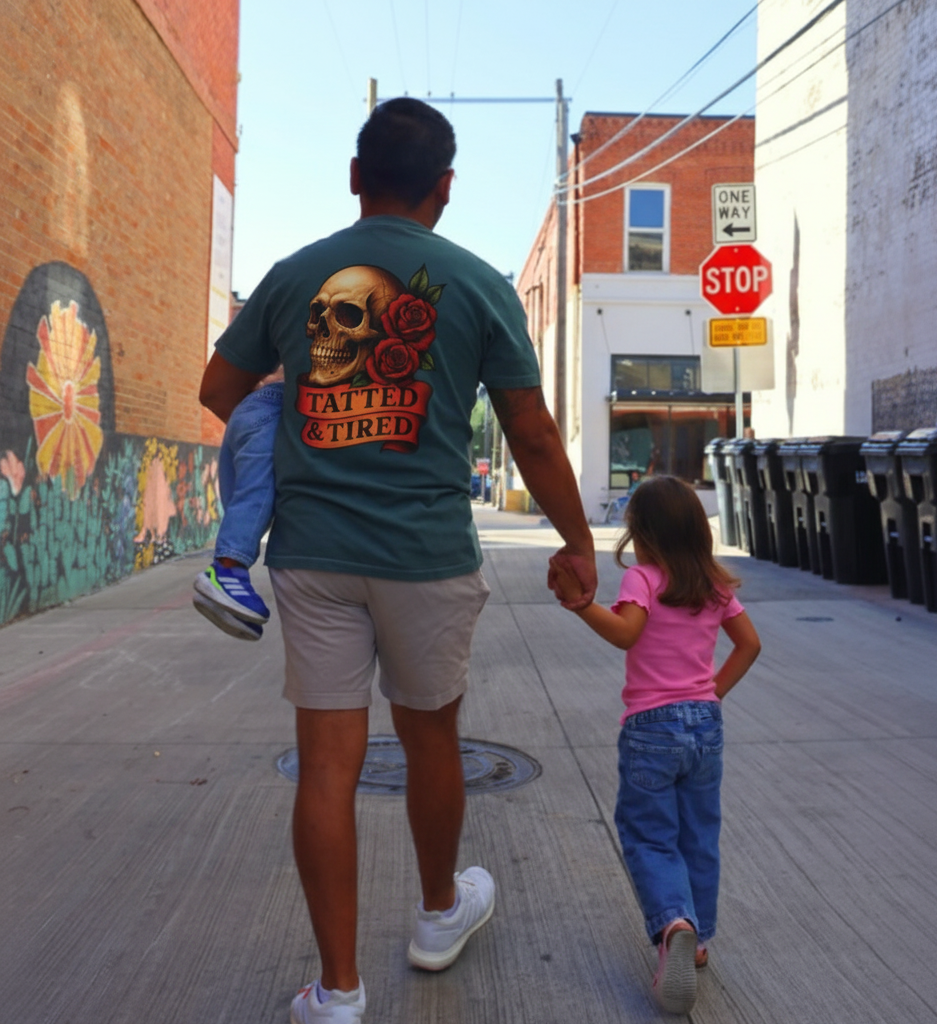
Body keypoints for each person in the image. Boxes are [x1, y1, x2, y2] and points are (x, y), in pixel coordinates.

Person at [198, 98, 596, 1024]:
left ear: (353, 176)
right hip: (426, 556)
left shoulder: (296, 277)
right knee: (431, 742)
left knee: (328, 764)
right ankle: (435, 915)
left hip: (314, 553)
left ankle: (337, 991)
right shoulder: (481, 283)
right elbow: (530, 432)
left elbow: (219, 391)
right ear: (445, 188)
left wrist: (297, 423)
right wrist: (578, 542)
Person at [551, 476, 760, 1015]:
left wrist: (580, 606)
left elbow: (625, 634)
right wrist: (710, 692)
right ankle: (700, 939)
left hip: (651, 728)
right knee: (699, 832)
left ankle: (673, 923)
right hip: (705, 726)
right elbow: (749, 645)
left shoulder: (644, 580)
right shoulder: (713, 583)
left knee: (649, 836)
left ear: (641, 535)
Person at [192, 367, 284, 640]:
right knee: (259, 493)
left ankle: (222, 599)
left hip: (248, 409)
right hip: (274, 406)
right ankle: (227, 571)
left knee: (247, 497)